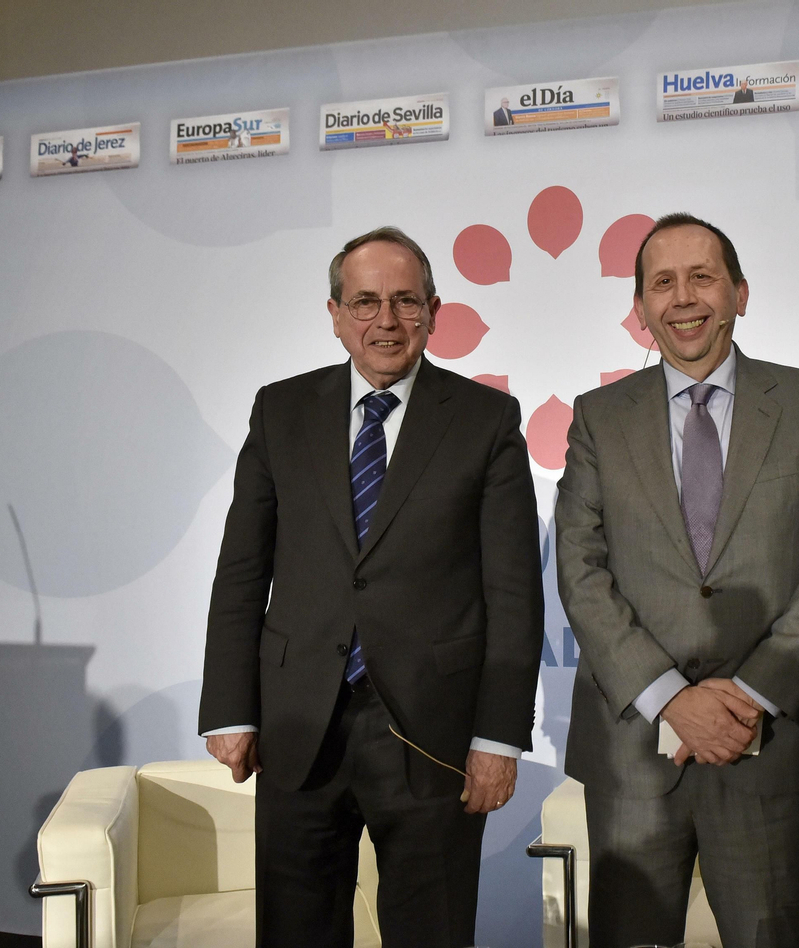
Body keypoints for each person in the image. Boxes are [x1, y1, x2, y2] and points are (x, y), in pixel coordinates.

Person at [198, 226, 544, 947]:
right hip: (298, 729)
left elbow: (513, 594)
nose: (385, 320)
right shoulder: (279, 411)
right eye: (364, 302)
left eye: (405, 301)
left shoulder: (485, 421)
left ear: (434, 312)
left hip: (433, 737)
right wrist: (230, 710)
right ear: (335, 314)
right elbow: (241, 572)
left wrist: (499, 738)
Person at [557, 213, 799, 948]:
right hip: (633, 751)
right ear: (640, 309)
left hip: (769, 746)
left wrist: (750, 695)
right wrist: (671, 698)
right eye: (663, 282)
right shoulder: (598, 418)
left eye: (702, 277)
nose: (683, 298)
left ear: (740, 294)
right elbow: (580, 568)